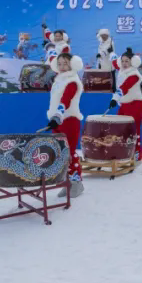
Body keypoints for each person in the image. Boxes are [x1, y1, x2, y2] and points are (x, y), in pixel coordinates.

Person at [47, 51, 85, 198]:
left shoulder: (73, 81)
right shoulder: (58, 81)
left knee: (69, 153)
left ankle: (77, 183)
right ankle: (66, 182)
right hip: (57, 119)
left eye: (66, 63)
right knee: (59, 153)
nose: (62, 66)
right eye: (60, 63)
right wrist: (54, 116)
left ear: (73, 64)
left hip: (68, 120)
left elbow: (66, 99)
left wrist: (58, 114)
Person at [109, 47, 142, 163]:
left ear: (132, 62)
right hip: (124, 104)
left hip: (135, 104)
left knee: (134, 129)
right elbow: (114, 61)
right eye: (122, 61)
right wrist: (112, 53)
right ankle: (123, 151)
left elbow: (125, 87)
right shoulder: (122, 69)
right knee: (121, 128)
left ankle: (137, 152)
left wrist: (114, 98)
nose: (124, 63)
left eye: (127, 61)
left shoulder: (134, 74)